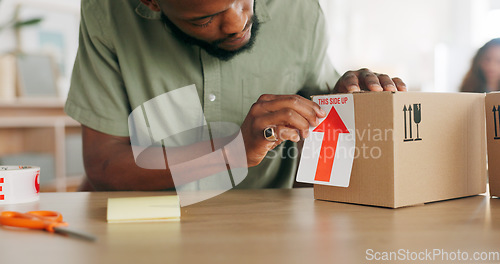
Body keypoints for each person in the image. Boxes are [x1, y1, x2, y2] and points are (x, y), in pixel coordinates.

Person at [65, 0, 406, 192]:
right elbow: (104, 165)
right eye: (205, 18)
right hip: (152, 225)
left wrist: (347, 101)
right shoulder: (107, 13)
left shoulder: (300, 11)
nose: (237, 23)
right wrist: (231, 152)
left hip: (272, 224)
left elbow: (325, 148)